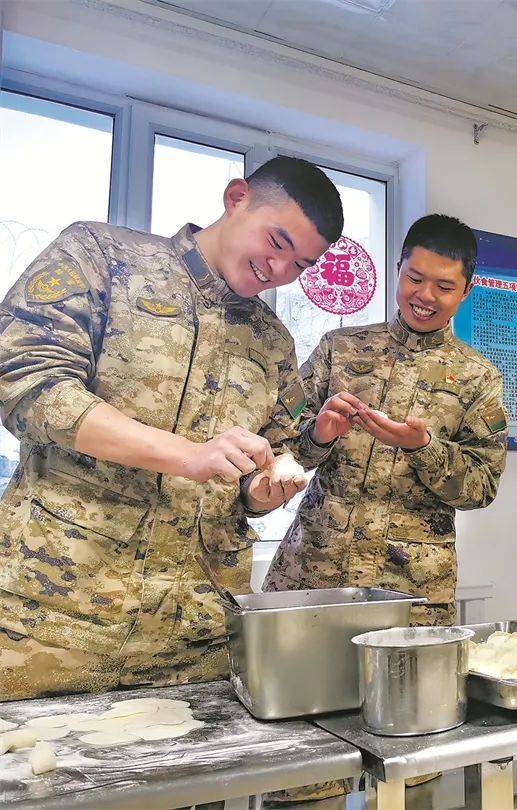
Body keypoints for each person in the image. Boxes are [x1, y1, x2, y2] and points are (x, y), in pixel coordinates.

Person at [0, 156, 350, 699]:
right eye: (277, 243)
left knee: (194, 785)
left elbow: (267, 462)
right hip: (57, 618)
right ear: (236, 198)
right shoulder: (103, 257)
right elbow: (25, 380)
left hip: (198, 636)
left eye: (300, 265)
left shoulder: (273, 341)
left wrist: (262, 490)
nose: (280, 271)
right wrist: (185, 454)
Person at [259, 215, 506, 804]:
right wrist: (317, 434)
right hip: (317, 575)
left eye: (443, 286)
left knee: (408, 769)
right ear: (397, 271)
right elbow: (275, 443)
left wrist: (422, 448)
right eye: (414, 278)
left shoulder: (477, 378)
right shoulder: (341, 349)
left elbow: (482, 485)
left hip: (410, 589)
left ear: (467, 290)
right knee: (301, 765)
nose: (425, 296)